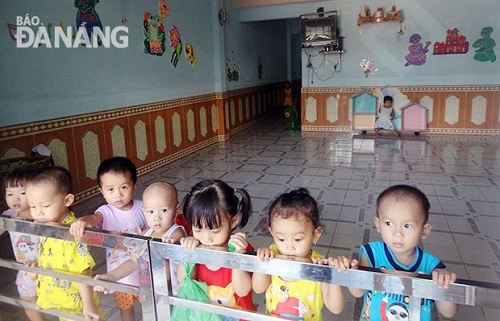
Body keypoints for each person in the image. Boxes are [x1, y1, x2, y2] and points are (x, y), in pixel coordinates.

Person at [343, 184, 458, 321]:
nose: (397, 233)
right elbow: (357, 292)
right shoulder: (372, 253)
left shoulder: (432, 267)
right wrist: (352, 270)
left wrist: (443, 284)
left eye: (407, 226)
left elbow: (449, 312)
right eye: (388, 223)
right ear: (378, 224)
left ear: (424, 230)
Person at [69, 156, 147, 321]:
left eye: (124, 187)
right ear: (102, 191)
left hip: (145, 271)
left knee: (150, 307)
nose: (118, 194)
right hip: (119, 275)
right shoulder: (105, 212)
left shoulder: (143, 208)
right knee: (126, 308)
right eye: (110, 189)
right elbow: (93, 218)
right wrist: (82, 221)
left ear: (134, 186)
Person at [252, 188, 346, 320]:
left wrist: (333, 275)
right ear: (272, 233)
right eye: (281, 239)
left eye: (297, 239)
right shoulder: (273, 254)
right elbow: (258, 288)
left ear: (315, 234)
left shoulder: (319, 264)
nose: (289, 246)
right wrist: (262, 262)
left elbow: (335, 308)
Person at [25, 166, 104, 320]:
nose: (38, 212)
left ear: (67, 200)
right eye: (32, 206)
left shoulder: (72, 233)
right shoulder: (47, 225)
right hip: (63, 302)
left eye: (45, 206)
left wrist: (88, 304)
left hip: (79, 306)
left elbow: (83, 270)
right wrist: (37, 270)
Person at [177, 179, 256, 315]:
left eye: (215, 231)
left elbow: (242, 291)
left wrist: (237, 258)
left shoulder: (241, 249)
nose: (207, 238)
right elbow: (182, 280)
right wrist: (188, 255)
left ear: (233, 221)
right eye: (198, 229)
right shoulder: (198, 248)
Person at [93, 182, 187, 295]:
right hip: (155, 292)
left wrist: (171, 244)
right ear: (144, 213)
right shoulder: (145, 234)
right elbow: (133, 261)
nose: (157, 217)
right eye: (151, 212)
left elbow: (174, 249)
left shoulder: (176, 233)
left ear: (176, 210)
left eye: (164, 210)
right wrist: (111, 276)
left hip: (177, 293)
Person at [2, 167, 46, 321]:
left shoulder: (43, 215)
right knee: (27, 300)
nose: (15, 199)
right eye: (10, 194)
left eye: (22, 193)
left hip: (48, 267)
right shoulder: (9, 216)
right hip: (26, 269)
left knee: (57, 301)